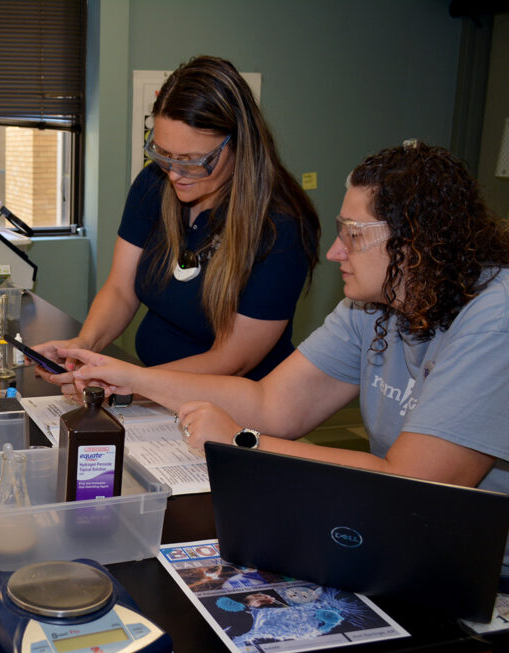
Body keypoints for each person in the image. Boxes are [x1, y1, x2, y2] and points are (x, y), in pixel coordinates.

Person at [60, 141, 509, 584]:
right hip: (400, 539)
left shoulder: (495, 319)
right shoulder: (374, 305)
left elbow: (415, 485)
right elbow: (272, 401)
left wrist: (242, 441)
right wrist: (133, 379)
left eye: (353, 235)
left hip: (479, 572)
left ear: (416, 245)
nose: (335, 252)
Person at [33, 55, 319, 393]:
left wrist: (130, 382)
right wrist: (84, 347)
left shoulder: (280, 226)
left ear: (239, 143)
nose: (174, 173)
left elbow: (233, 358)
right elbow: (121, 290)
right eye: (163, 153)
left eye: (193, 161)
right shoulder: (153, 184)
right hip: (155, 393)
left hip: (236, 407)